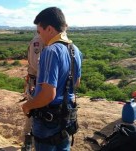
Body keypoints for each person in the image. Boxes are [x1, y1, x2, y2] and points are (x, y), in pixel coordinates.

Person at [22, 7, 82, 151]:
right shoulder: (75, 50)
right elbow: (76, 83)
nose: (39, 35)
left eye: (39, 31)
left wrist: (28, 106)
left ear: (49, 29)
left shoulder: (50, 51)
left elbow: (49, 95)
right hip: (67, 116)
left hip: (48, 120)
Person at [22, 34, 44, 150]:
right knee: (32, 112)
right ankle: (28, 141)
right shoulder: (39, 40)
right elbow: (36, 65)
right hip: (37, 81)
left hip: (43, 82)